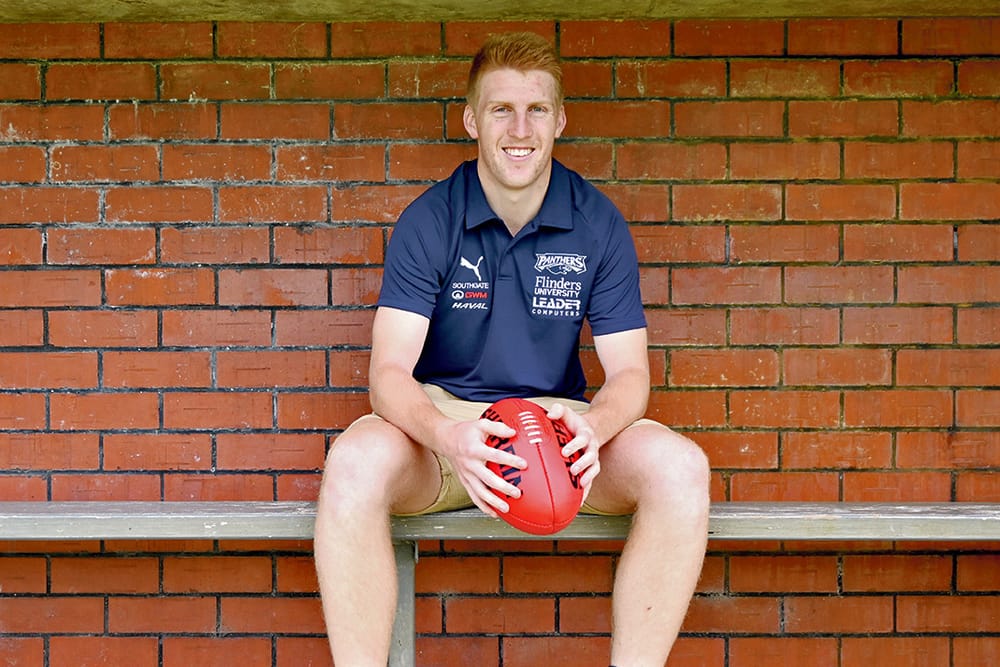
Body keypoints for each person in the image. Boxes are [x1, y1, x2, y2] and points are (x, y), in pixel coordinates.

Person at [314, 31, 710, 667]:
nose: (519, 128)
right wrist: (448, 437)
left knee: (680, 468)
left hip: (557, 425)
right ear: (472, 119)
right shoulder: (430, 220)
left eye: (536, 110)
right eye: (501, 109)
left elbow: (631, 374)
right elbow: (387, 376)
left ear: (560, 119)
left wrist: (594, 426)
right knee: (355, 462)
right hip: (447, 430)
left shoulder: (597, 221)